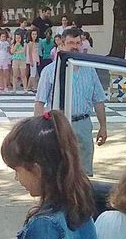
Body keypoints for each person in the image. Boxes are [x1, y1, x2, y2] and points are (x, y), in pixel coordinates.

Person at [32, 27, 108, 177]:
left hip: (83, 125)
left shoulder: (90, 70)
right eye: (71, 43)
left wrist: (103, 126)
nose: (75, 46)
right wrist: (37, 130)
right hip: (59, 125)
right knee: (58, 170)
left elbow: (98, 100)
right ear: (62, 45)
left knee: (84, 172)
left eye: (78, 43)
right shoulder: (50, 71)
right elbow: (40, 102)